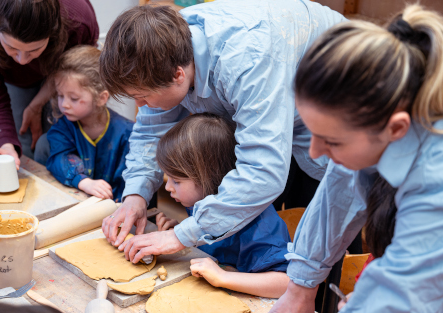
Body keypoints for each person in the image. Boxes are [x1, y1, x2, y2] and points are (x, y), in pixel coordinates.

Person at [99, 0, 346, 263]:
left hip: (339, 105)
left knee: (323, 237)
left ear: (178, 75)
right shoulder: (161, 53)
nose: (140, 105)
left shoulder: (247, 62)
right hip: (285, 100)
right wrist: (135, 196)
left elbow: (263, 172)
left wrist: (180, 236)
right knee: (265, 224)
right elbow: (151, 131)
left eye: (143, 96)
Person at [271, 5, 443, 312]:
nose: (314, 153)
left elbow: (406, 296)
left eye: (332, 141)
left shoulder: (435, 178)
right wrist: (299, 287)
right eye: (313, 133)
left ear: (396, 128)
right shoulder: (370, 125)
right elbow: (338, 195)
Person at [152, 113, 291, 298]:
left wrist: (223, 277)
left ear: (207, 178)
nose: (168, 187)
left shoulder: (258, 223)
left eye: (176, 180)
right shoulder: (200, 200)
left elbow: (286, 284)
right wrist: (181, 232)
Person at [0, 0, 99, 174]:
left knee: (64, 143)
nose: (22, 60)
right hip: (11, 76)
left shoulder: (79, 19)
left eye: (34, 50)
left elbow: (77, 70)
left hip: (64, 71)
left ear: (53, 33)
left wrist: (37, 103)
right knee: (21, 142)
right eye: (11, 47)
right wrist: (7, 148)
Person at [46, 46, 134, 202]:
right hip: (79, 199)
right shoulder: (63, 126)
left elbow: (132, 179)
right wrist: (83, 181)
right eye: (60, 96)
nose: (64, 104)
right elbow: (59, 157)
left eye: (73, 98)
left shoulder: (127, 133)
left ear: (101, 98)